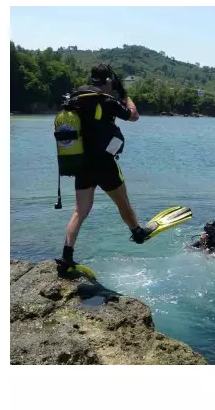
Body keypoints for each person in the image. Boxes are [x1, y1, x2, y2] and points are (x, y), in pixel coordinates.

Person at [55, 64, 153, 274]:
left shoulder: (75, 99)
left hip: (81, 163)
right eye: (111, 82)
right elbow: (134, 115)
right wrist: (125, 95)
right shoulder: (107, 101)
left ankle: (66, 256)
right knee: (122, 201)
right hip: (104, 163)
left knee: (80, 211)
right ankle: (137, 232)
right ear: (109, 81)